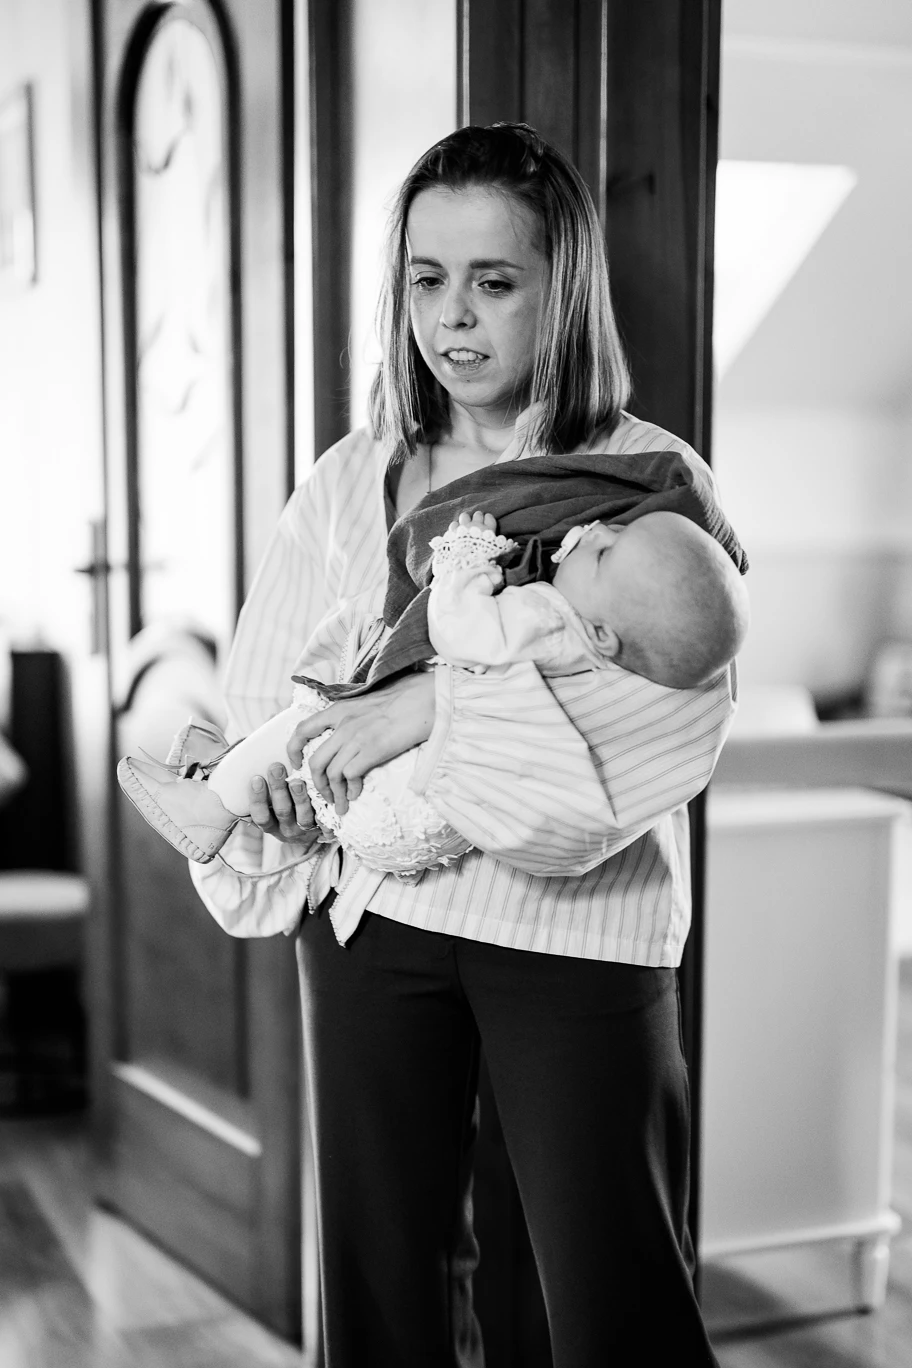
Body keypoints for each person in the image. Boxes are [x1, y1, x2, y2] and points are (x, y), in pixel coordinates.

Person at [187, 122, 743, 1366]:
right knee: (383, 1290)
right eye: (427, 280)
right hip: (376, 928)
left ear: (564, 289)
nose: (455, 317)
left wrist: (428, 706)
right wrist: (277, 783)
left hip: (580, 932)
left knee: (607, 1295)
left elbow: (667, 720)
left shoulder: (648, 482)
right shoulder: (351, 478)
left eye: (495, 281)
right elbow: (272, 690)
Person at [116, 501, 747, 877]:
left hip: (415, 818)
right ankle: (226, 773)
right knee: (321, 738)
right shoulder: (601, 648)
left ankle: (211, 799)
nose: (597, 529)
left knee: (318, 712)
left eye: (606, 551)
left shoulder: (549, 618)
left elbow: (458, 626)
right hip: (411, 834)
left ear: (606, 633)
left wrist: (466, 559)